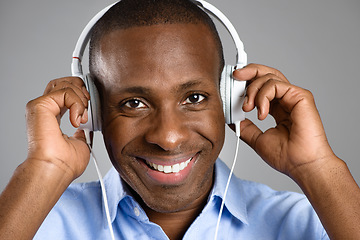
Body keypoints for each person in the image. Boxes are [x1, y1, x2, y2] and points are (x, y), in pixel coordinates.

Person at [0, 0, 359, 239]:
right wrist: (43, 169)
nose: (168, 137)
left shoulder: (314, 222)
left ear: (230, 100)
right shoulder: (35, 220)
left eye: (195, 98)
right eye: (134, 103)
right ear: (92, 110)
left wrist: (317, 166)